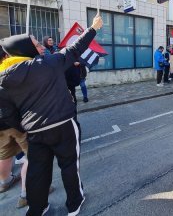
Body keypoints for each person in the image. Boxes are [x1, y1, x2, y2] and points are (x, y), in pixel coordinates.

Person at [0, 14, 103, 216]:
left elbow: (7, 114)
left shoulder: (4, 79)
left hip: (35, 132)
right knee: (69, 166)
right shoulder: (47, 63)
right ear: (26, 50)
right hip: (64, 124)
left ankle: (37, 208)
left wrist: (26, 126)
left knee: (38, 171)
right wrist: (92, 29)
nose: (42, 47)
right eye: (37, 45)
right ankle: (74, 204)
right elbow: (74, 49)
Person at [0, 46, 29, 208]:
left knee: (4, 154)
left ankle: (5, 182)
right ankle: (27, 193)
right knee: (33, 156)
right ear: (5, 56)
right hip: (15, 122)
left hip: (0, 126)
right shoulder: (9, 72)